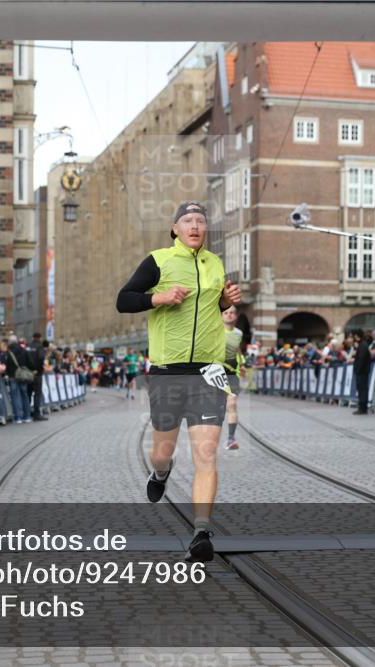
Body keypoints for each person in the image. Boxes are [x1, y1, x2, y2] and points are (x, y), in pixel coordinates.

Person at [116, 200, 241, 563]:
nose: (195, 225)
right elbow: (123, 300)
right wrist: (160, 297)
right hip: (168, 371)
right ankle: (161, 472)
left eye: (200, 220)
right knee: (162, 451)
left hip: (209, 371)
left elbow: (212, 308)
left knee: (205, 453)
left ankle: (202, 530)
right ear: (175, 228)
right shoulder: (158, 261)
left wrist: (224, 301)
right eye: (187, 220)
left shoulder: (215, 263)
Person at [221, 305, 245, 450]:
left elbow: (238, 349)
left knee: (232, 404)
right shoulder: (214, 332)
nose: (229, 315)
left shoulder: (238, 333)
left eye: (232, 313)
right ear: (221, 315)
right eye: (226, 312)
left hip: (232, 374)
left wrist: (242, 364)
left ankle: (230, 439)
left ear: (235, 316)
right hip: (216, 373)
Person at [2, 334, 33, 423]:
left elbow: (6, 364)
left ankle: (18, 417)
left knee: (15, 397)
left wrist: (7, 373)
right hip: (23, 376)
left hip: (12, 376)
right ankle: (27, 416)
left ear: (10, 342)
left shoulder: (9, 351)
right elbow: (30, 363)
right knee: (25, 395)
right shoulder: (24, 350)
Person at [352, 329, 373, 414]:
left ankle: (363, 408)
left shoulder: (363, 345)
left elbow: (361, 359)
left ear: (357, 336)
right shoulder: (362, 345)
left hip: (362, 372)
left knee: (362, 390)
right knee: (361, 389)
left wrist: (357, 369)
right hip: (362, 371)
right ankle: (362, 407)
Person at [28, 333, 48, 421]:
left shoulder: (28, 346)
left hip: (28, 374)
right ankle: (36, 414)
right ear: (40, 338)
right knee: (37, 394)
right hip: (37, 374)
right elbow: (41, 358)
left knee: (27, 394)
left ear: (32, 337)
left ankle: (27, 412)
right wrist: (38, 369)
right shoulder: (40, 347)